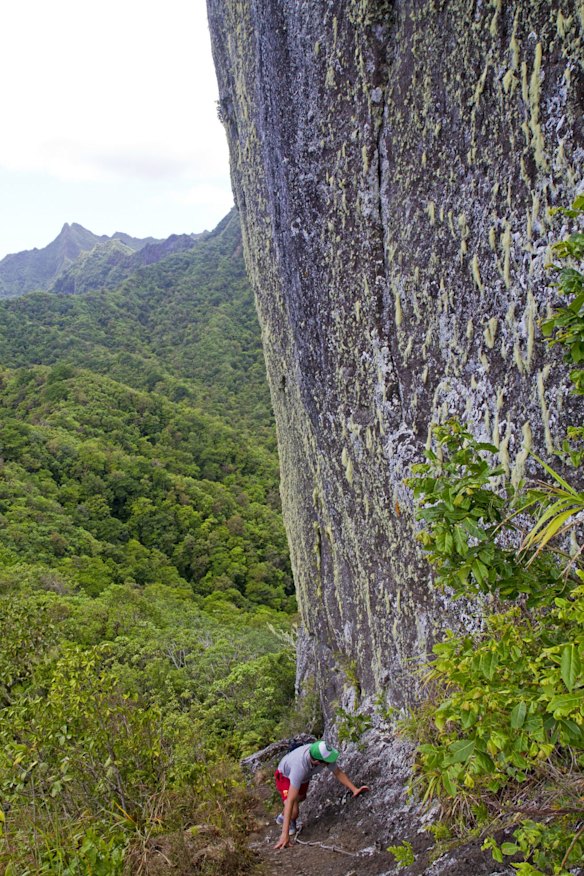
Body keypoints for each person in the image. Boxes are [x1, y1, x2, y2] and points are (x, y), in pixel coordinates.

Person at [274, 739, 369, 849]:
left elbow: (338, 772)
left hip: (305, 777)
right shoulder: (299, 767)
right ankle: (290, 821)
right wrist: (284, 835)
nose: (330, 763)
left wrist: (355, 789)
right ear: (317, 762)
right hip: (285, 775)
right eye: (327, 762)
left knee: (301, 797)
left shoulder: (321, 755)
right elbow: (290, 799)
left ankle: (283, 816)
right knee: (294, 811)